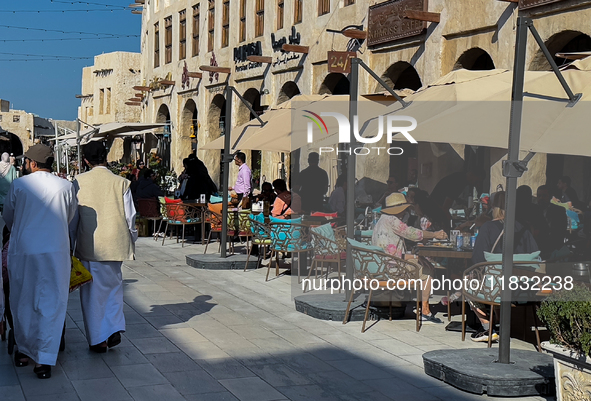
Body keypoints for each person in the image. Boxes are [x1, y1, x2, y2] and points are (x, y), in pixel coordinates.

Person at [3, 144, 77, 379]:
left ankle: (24, 352)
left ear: (32, 163)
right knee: (52, 302)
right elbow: (70, 215)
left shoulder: (19, 185)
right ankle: (44, 359)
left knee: (23, 300)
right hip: (55, 251)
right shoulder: (66, 186)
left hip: (24, 250)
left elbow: (9, 216)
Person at [71, 142, 137, 354]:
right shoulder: (121, 183)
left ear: (86, 161)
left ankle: (99, 338)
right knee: (114, 287)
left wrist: (71, 244)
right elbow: (130, 217)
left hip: (90, 242)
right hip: (115, 242)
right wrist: (131, 240)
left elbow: (73, 218)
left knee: (92, 293)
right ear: (105, 157)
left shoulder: (78, 182)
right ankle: (113, 328)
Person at [469, 191, 539, 342]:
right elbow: (535, 255)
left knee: (467, 283)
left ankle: (487, 327)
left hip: (497, 290)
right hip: (523, 290)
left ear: (494, 206)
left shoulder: (488, 227)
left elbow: (478, 260)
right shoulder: (524, 229)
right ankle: (501, 324)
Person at [372, 193, 448, 323]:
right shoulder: (393, 221)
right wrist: (435, 234)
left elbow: (392, 250)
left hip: (381, 265)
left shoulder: (382, 219)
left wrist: (414, 257)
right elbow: (413, 233)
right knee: (428, 270)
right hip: (391, 268)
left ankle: (421, 307)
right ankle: (425, 310)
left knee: (420, 263)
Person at [536, 185, 567, 259]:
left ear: (550, 197)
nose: (541, 198)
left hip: (554, 248)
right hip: (537, 248)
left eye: (544, 196)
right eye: (539, 196)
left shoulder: (559, 210)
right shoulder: (534, 210)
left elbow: (561, 230)